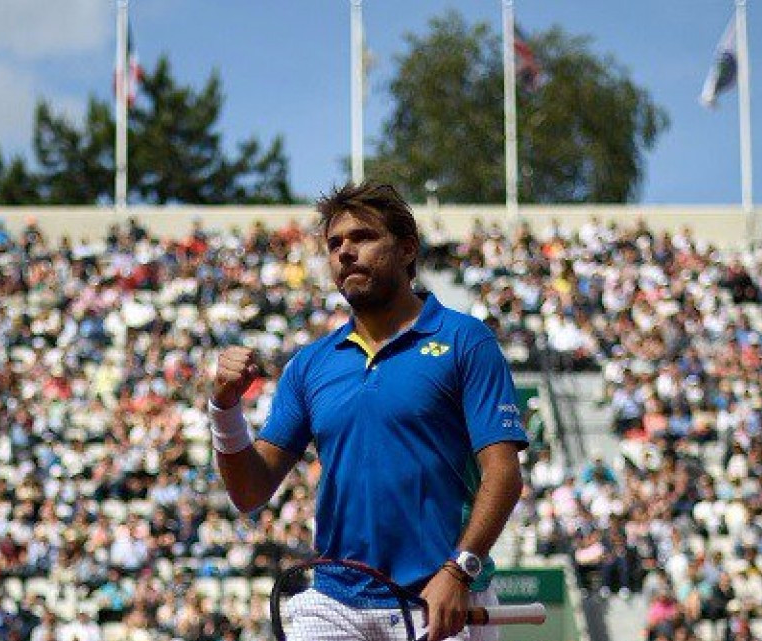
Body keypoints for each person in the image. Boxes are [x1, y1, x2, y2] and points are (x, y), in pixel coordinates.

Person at [209, 182, 528, 641]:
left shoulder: (466, 341)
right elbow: (249, 491)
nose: (345, 252)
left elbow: (504, 475)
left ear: (406, 249)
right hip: (334, 600)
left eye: (362, 237)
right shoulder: (311, 364)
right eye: (334, 243)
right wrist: (223, 407)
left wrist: (460, 571)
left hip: (439, 596)